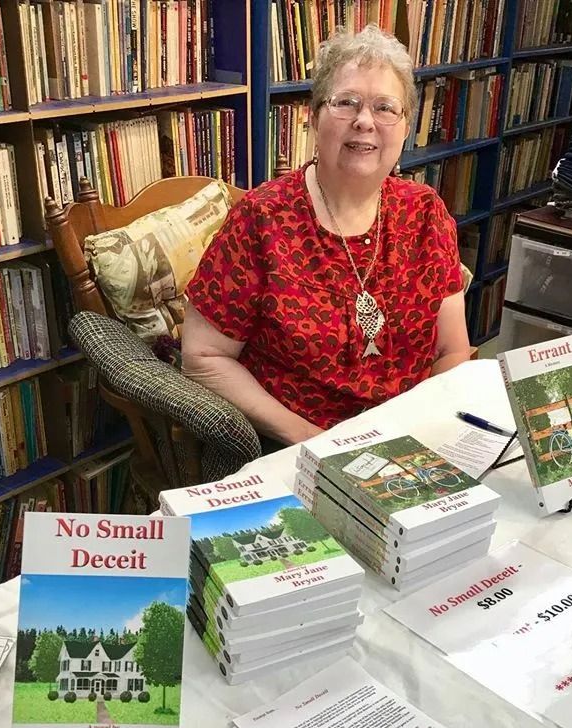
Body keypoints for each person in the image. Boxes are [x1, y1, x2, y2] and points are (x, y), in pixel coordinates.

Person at [182, 24, 470, 447]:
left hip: (410, 442)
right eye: (346, 102)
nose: (365, 121)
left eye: (386, 108)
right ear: (313, 117)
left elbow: (452, 352)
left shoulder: (426, 212)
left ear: (406, 126)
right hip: (295, 446)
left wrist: (419, 436)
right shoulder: (263, 219)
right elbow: (203, 358)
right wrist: (311, 440)